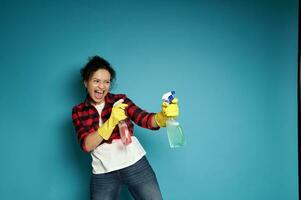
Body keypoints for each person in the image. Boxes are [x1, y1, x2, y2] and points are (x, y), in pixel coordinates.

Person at [72, 55, 179, 200]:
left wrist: (162, 117)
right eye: (96, 81)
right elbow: (87, 145)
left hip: (135, 165)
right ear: (86, 82)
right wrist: (111, 122)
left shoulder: (120, 101)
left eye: (106, 82)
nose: (102, 87)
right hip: (103, 173)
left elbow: (145, 119)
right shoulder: (79, 111)